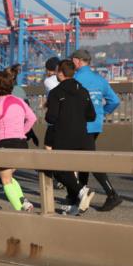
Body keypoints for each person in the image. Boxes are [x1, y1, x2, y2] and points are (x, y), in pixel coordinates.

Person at [71, 48, 123, 211]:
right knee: (84, 159)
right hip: (95, 125)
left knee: (89, 160)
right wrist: (103, 112)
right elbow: (114, 100)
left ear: (76, 61)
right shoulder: (99, 80)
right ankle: (81, 195)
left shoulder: (74, 80)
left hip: (79, 125)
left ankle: (112, 194)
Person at [45, 59, 97, 216]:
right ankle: (76, 205)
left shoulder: (56, 93)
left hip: (63, 136)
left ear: (60, 73)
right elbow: (91, 115)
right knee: (72, 170)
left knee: (60, 170)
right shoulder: (83, 91)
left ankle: (82, 191)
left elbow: (51, 118)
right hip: (82, 136)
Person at [0, 71, 37, 212]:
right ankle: (23, 202)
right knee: (8, 177)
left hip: (5, 144)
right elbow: (32, 118)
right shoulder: (19, 100)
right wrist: (22, 132)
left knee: (5, 180)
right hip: (21, 143)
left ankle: (21, 209)